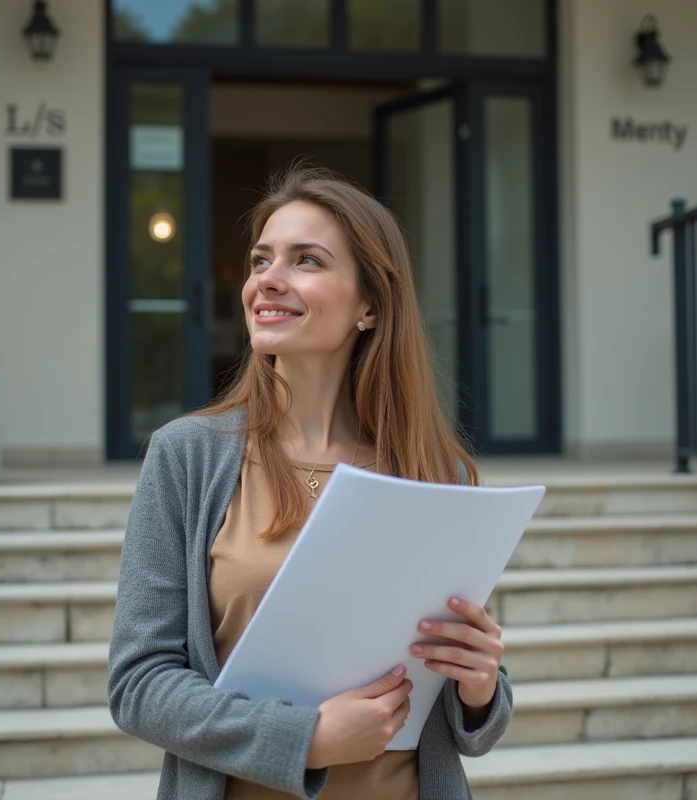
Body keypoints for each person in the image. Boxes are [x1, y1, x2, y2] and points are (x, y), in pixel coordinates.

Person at [107, 166, 513, 799]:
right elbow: (138, 685)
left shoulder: (438, 472)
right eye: (260, 259)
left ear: (370, 305)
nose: (267, 280)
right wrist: (306, 739)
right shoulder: (187, 457)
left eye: (306, 261)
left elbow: (470, 726)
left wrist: (481, 683)